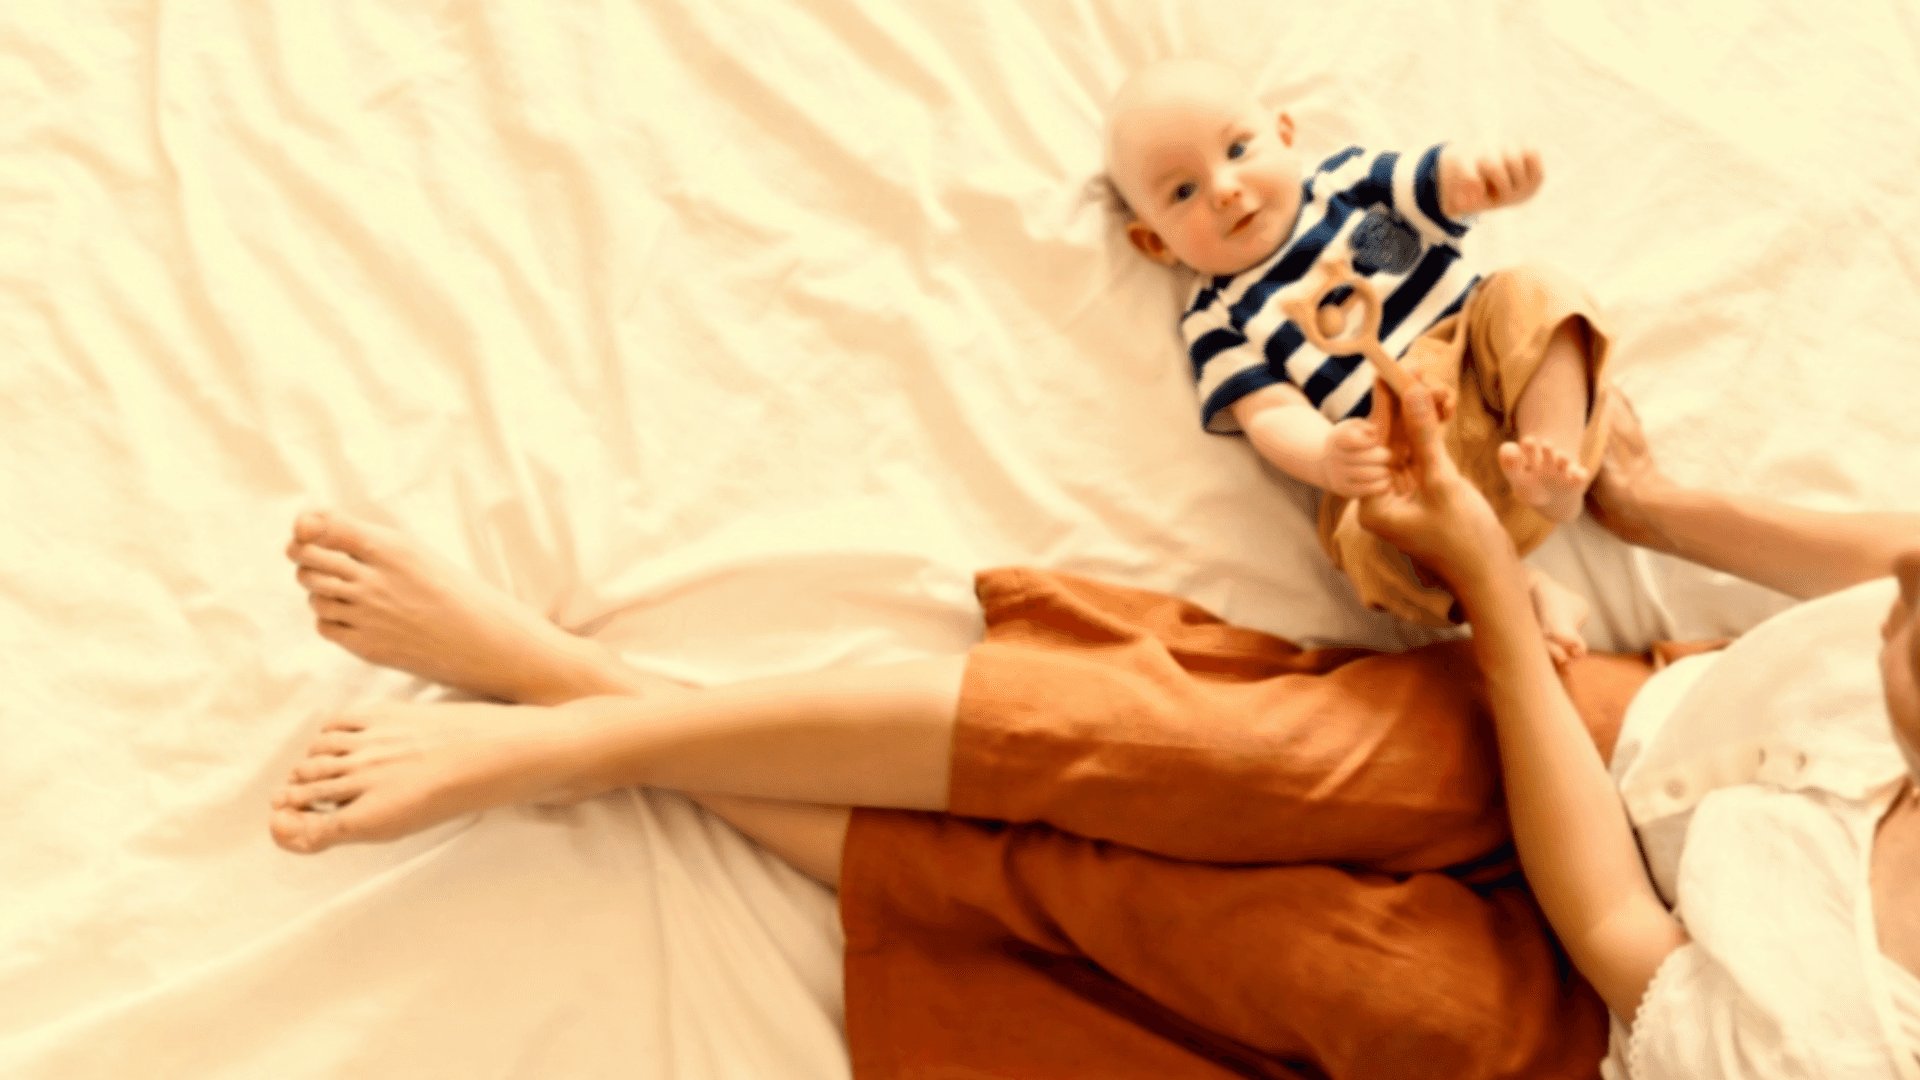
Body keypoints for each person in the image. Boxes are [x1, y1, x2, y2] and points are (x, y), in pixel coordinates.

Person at [274, 386, 1920, 1078]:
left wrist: (1491, 582)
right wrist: (1659, 501)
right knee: (1189, 755)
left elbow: (1620, 930)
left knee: (1284, 961)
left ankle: (567, 697)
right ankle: (579, 735)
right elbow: (1880, 554)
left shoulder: (1848, 1039)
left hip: (1595, 1020)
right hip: (1618, 725)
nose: (1901, 587)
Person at [1104, 57, 1606, 659]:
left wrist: (1481, 176)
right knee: (1361, 543)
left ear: (1285, 135)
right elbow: (1269, 413)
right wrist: (1325, 455)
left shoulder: (1345, 186)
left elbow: (1439, 180)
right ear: (1154, 241)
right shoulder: (1218, 317)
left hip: (1478, 362)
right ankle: (1522, 593)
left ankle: (1552, 457)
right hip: (1400, 460)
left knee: (1532, 294)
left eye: (1238, 149)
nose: (1225, 189)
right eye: (1183, 191)